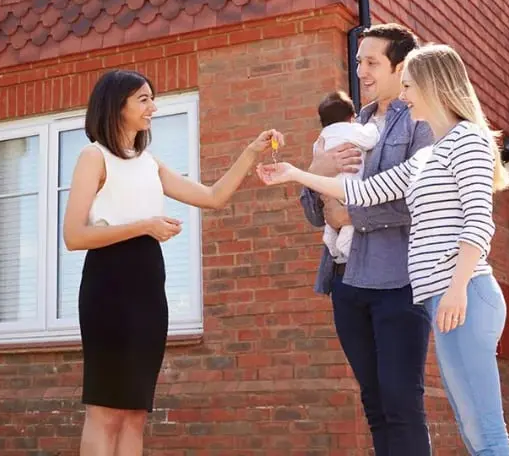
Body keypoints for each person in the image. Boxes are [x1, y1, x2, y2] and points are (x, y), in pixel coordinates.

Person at [259, 43, 509, 455]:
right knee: (471, 428)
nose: (406, 96)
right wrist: (294, 173)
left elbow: (479, 221)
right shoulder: (432, 154)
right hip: (441, 298)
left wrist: (456, 288)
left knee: (487, 429)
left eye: (410, 86)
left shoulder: (468, 140)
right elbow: (366, 190)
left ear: (433, 86)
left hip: (466, 295)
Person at [62, 69, 283, 456]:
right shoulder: (92, 156)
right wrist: (144, 225)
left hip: (149, 291)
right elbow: (74, 236)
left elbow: (213, 197)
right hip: (108, 288)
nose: (153, 107)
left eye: (152, 98)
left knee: (134, 412)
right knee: (105, 411)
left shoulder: (149, 162)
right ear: (118, 105)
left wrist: (251, 152)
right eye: (143, 99)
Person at [299, 24, 435, 456]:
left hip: (398, 284)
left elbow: (421, 202)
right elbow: (310, 211)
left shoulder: (422, 123)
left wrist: (351, 213)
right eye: (359, 61)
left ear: (402, 67)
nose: (361, 71)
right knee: (374, 404)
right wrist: (318, 168)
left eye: (371, 62)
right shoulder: (349, 124)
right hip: (346, 282)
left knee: (401, 403)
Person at [314, 90, 380, 261]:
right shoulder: (353, 130)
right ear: (352, 116)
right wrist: (372, 126)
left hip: (327, 189)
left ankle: (330, 239)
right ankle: (345, 245)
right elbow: (371, 138)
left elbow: (316, 163)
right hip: (350, 186)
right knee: (349, 218)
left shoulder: (320, 139)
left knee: (330, 215)